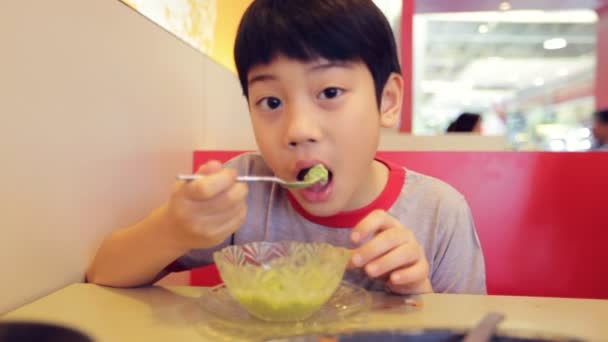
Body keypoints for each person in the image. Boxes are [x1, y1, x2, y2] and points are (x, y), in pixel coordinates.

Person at [86, 0, 486, 295]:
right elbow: (104, 273)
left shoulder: (438, 212)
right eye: (271, 102)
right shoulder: (245, 195)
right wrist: (173, 228)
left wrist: (419, 294)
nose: (298, 130)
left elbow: (475, 334)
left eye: (329, 91)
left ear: (387, 100)